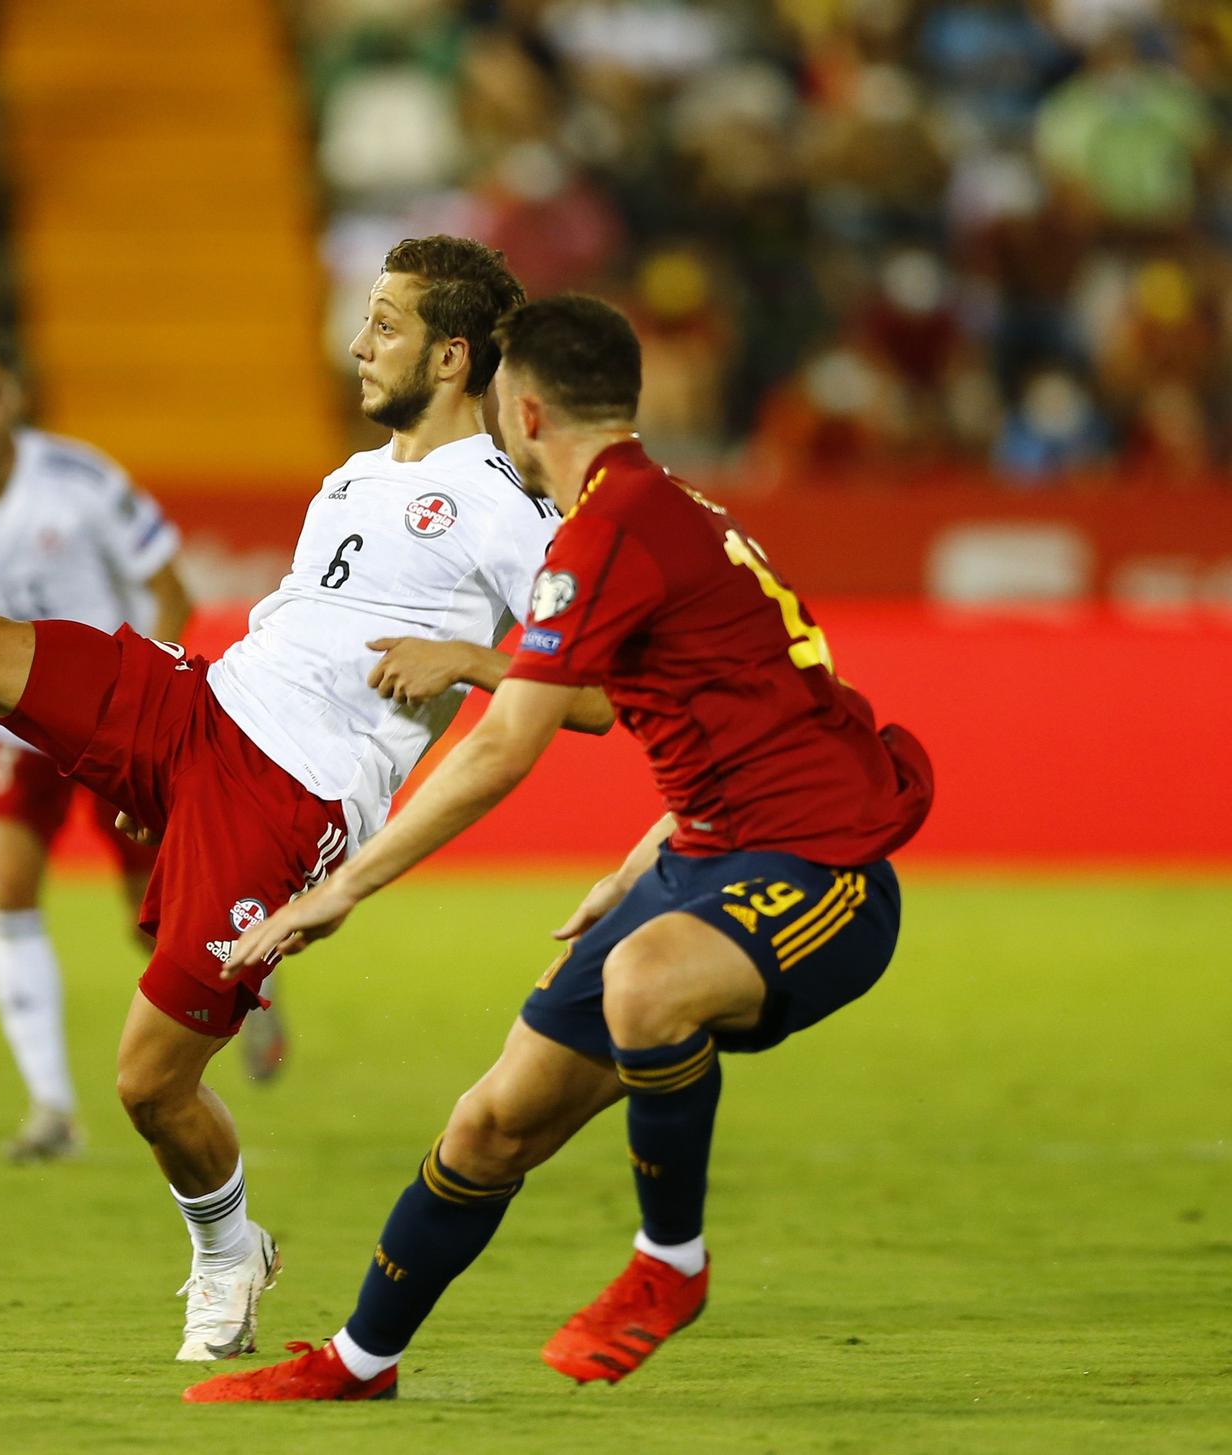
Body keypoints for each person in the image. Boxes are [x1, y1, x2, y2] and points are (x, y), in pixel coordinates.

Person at [0, 236, 611, 1363]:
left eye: (384, 324)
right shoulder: (356, 474)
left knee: (147, 1085)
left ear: (452, 354)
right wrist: (168, 782)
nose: (358, 343)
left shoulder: (506, 506)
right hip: (197, 712)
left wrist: (463, 663)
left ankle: (229, 1247)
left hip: (287, 810)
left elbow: (597, 697)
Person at [181, 294, 934, 1403]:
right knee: (491, 1122)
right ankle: (357, 1362)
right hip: (705, 857)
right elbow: (732, 724)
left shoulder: (606, 532)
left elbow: (501, 754)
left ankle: (666, 1266)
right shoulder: (661, 513)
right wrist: (634, 872)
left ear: (520, 411)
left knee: (644, 985)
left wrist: (337, 891)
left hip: (824, 872)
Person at [0, 324, 199, 1163]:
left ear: (15, 398)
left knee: (157, 918)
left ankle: (246, 991)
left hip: (112, 711)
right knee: (9, 890)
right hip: (9, 718)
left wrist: (154, 692)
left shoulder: (82, 479)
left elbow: (172, 589)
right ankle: (52, 1108)